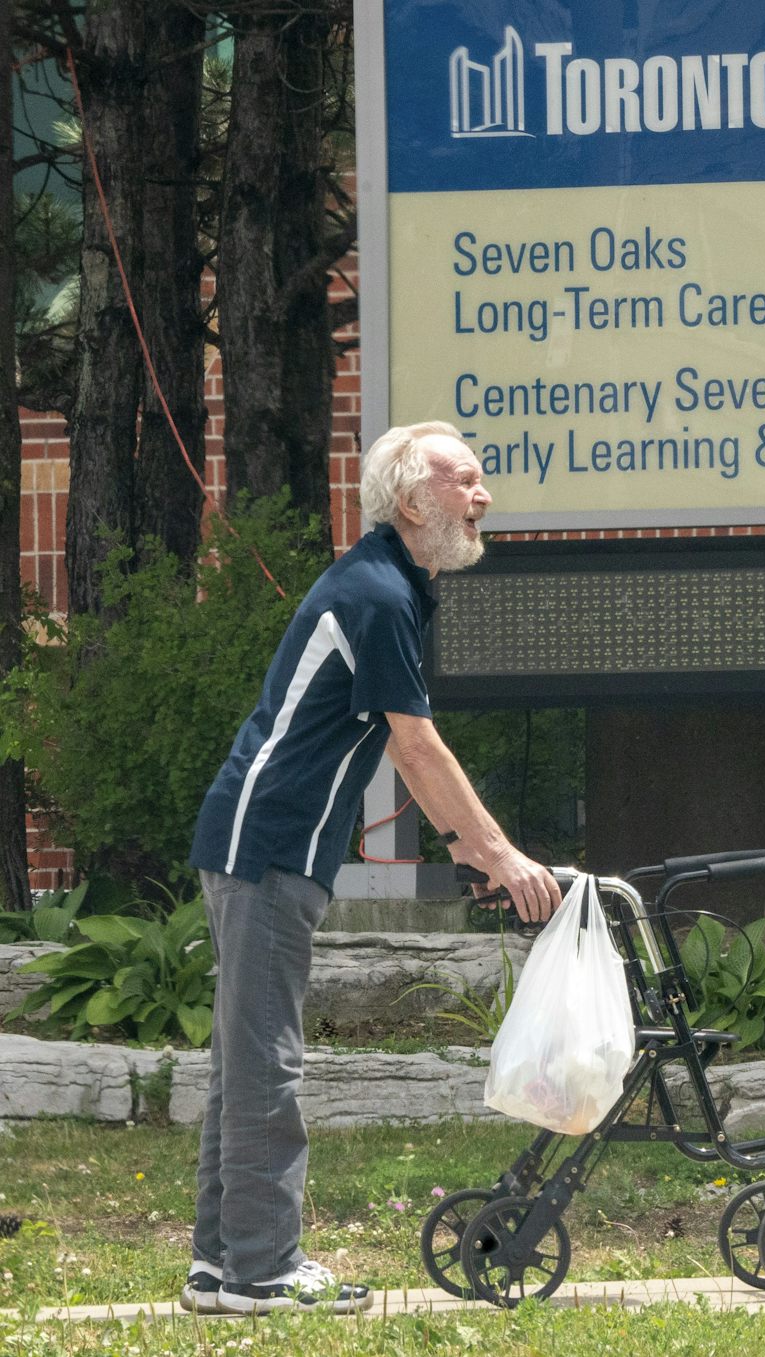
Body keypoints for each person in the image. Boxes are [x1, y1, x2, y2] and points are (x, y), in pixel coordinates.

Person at [180, 421, 562, 1315]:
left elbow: (403, 749)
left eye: (480, 481)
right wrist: (498, 850)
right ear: (412, 499)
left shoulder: (394, 585)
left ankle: (222, 1263)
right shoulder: (380, 593)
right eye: (464, 481)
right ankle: (262, 1271)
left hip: (266, 845)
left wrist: (463, 841)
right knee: (265, 1060)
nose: (483, 497)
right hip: (266, 846)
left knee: (243, 1060)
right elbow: (417, 745)